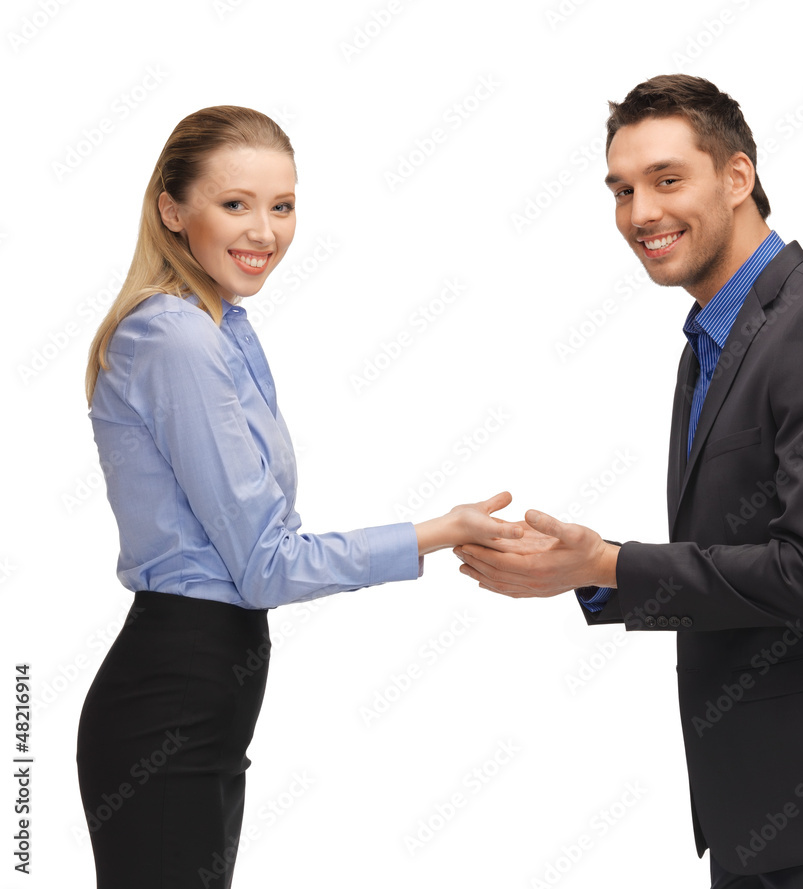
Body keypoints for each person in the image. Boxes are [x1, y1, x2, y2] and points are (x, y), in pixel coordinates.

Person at [455, 75, 803, 887]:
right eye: (622, 190)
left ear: (738, 177)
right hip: (757, 814)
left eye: (667, 179)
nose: (640, 211)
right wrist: (593, 568)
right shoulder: (709, 343)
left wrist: (605, 563)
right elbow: (731, 560)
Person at [77, 105, 522, 889]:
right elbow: (263, 565)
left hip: (209, 687)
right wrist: (435, 530)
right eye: (236, 204)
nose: (265, 231)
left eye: (282, 206)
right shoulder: (176, 338)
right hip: (173, 690)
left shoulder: (221, 331)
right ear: (173, 210)